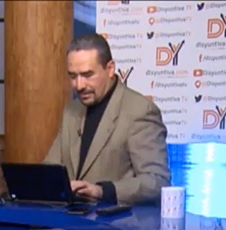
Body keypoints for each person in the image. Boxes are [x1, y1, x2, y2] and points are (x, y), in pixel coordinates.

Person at [43, 34, 171, 205]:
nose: (79, 85)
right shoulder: (71, 110)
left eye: (87, 75)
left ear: (110, 69)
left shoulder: (140, 111)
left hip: (117, 221)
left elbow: (157, 182)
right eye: (73, 76)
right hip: (68, 219)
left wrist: (102, 191)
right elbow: (50, 168)